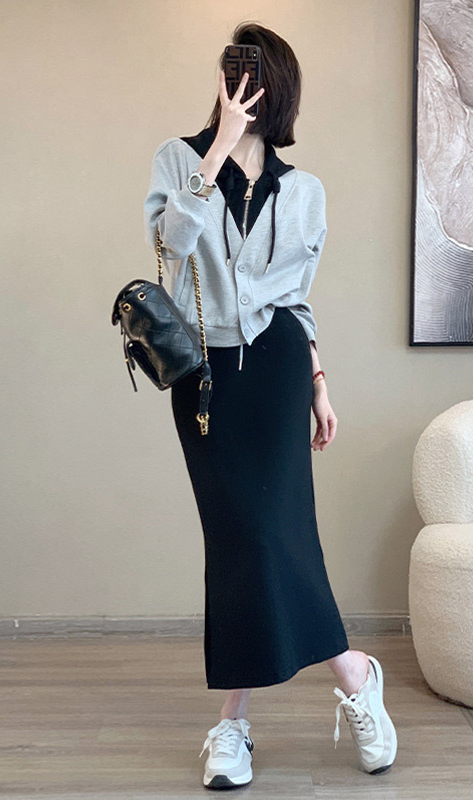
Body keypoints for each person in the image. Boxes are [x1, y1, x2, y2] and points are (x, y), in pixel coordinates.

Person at [143, 21, 397, 790]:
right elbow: (168, 247)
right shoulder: (180, 159)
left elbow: (296, 300)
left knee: (279, 535)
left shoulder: (305, 191)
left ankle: (233, 723)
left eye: (255, 74)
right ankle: (352, 671)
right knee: (242, 539)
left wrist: (319, 382)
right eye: (232, 71)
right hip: (205, 374)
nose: (241, 85)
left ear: (278, 86)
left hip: (280, 367)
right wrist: (219, 145)